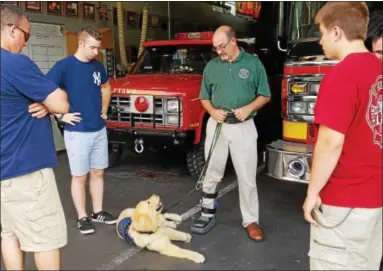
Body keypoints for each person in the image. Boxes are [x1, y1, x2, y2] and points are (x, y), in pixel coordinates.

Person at [302, 2, 382, 270]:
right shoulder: (378, 69)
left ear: (336, 32)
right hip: (375, 200)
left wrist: (312, 193)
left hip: (344, 203)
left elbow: (330, 142)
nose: (320, 41)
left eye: (322, 32)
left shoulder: (342, 75)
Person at [0, 5, 69, 270]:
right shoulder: (14, 63)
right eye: (26, 36)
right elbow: (61, 103)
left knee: (10, 233)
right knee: (45, 240)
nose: (26, 44)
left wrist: (43, 102)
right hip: (26, 172)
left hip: (4, 174)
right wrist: (49, 103)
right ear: (13, 29)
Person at [191, 25, 271, 241]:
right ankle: (207, 212)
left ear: (233, 41)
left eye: (222, 46)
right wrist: (212, 111)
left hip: (243, 127)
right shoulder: (212, 66)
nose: (219, 52)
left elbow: (265, 95)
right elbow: (204, 97)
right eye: (215, 48)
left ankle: (251, 220)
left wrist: (248, 108)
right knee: (211, 170)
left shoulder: (253, 64)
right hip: (217, 126)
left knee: (246, 177)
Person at [46, 26, 115, 235]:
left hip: (98, 128)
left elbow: (106, 86)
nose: (96, 52)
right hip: (77, 131)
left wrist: (104, 109)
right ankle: (82, 217)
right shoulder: (64, 66)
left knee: (98, 172)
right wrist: (60, 115)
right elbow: (44, 91)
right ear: (81, 43)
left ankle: (98, 212)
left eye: (98, 48)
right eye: (93, 48)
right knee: (79, 176)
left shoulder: (98, 66)